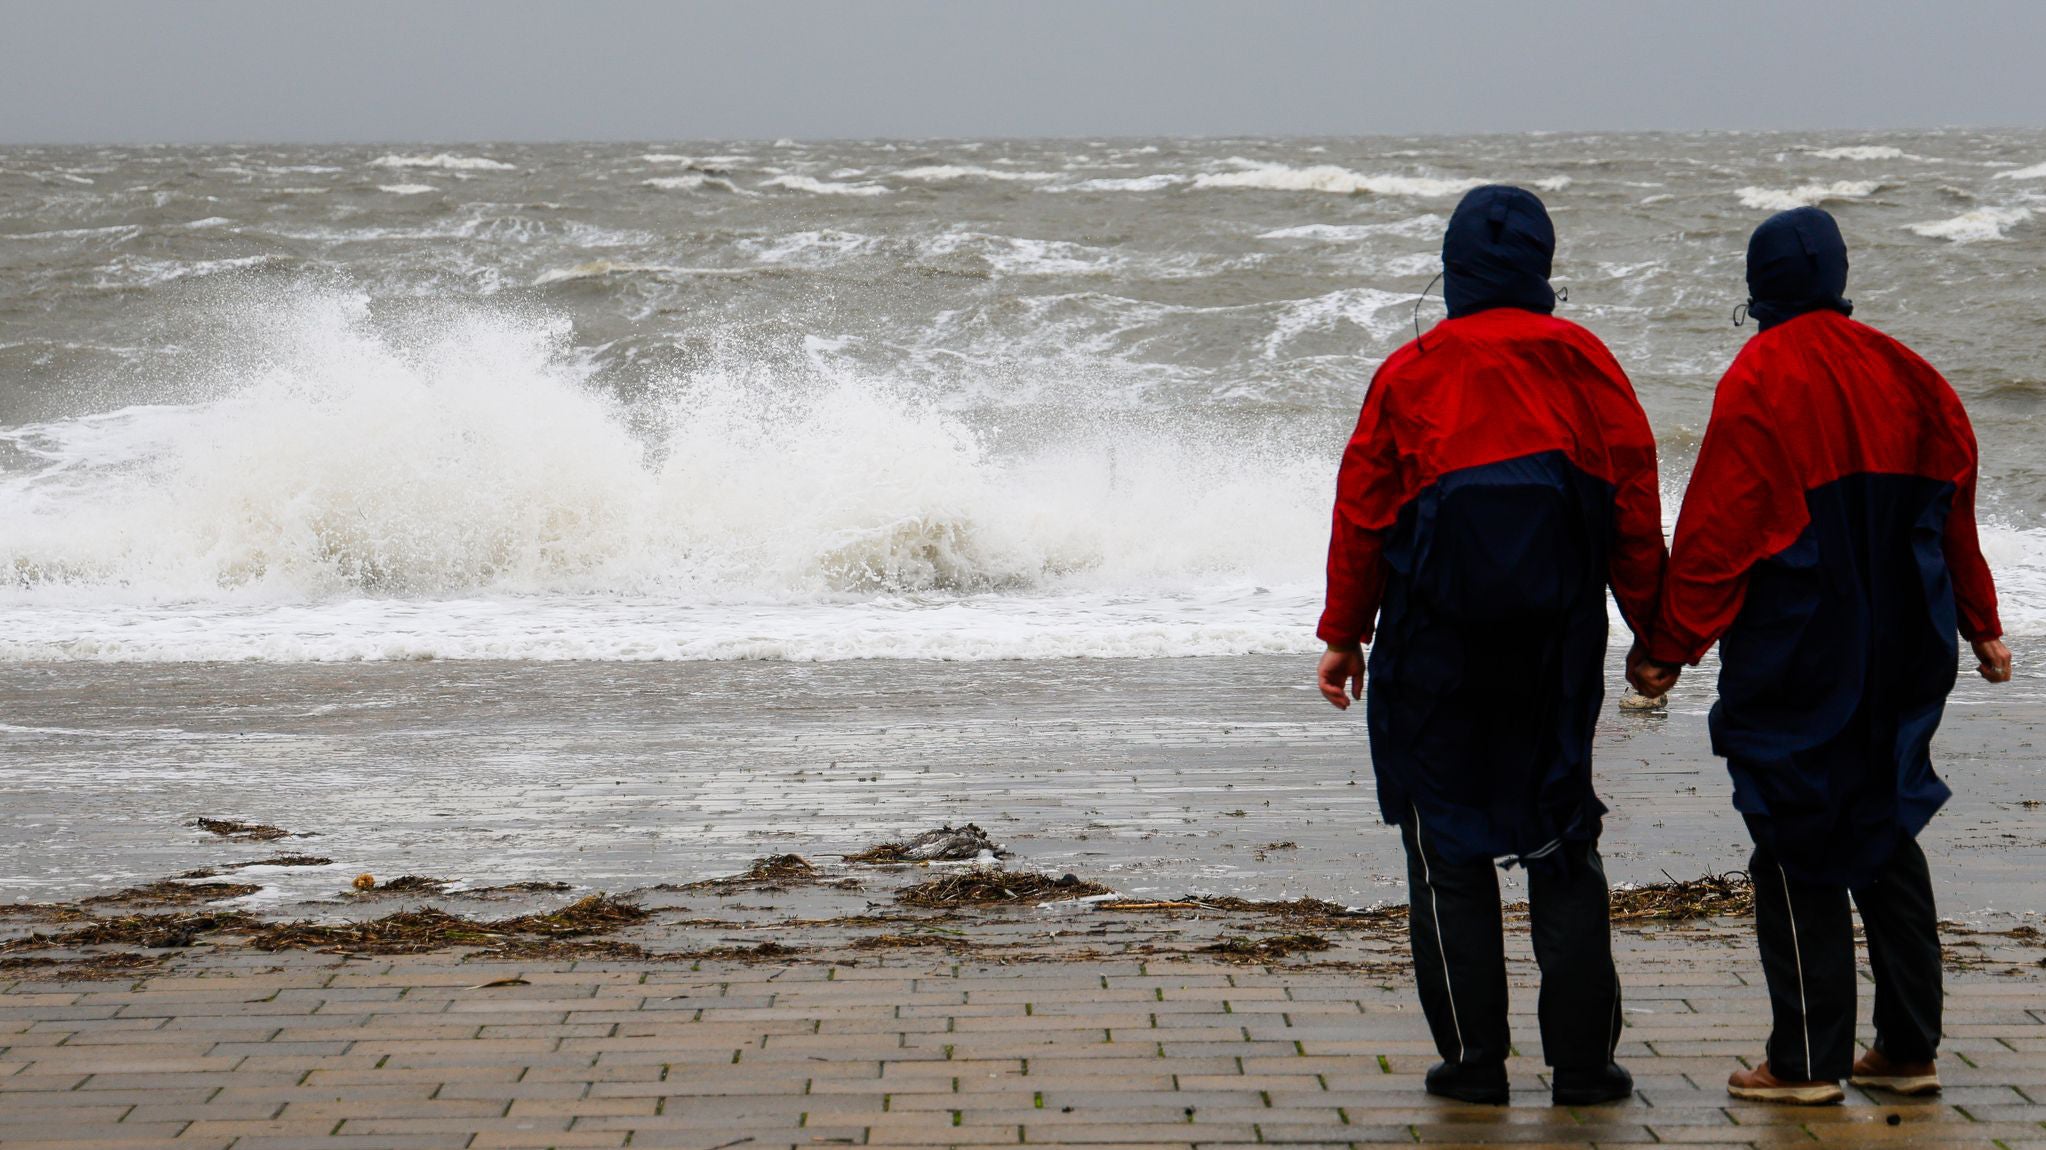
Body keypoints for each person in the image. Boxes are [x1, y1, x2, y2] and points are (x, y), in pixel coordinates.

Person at [1635, 206, 2011, 1105]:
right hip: (1912, 641)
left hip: (1803, 644)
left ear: (1759, 291)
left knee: (1794, 834)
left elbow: (1721, 534)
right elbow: (1953, 511)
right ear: (1840, 280)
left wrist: (1670, 648)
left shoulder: (1759, 376)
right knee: (1884, 823)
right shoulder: (1914, 374)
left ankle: (1806, 1062)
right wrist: (1982, 621)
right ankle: (1910, 1049)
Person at [1316, 185, 1667, 1107]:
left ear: (1453, 268)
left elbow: (1363, 512)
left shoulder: (1411, 368)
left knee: (1445, 850)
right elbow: (1632, 501)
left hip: (1433, 647)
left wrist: (1344, 633)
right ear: (1542, 268)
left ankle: (1475, 1064)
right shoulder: (1587, 361)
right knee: (1561, 839)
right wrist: (1655, 634)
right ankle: (1585, 1067)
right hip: (1555, 642)